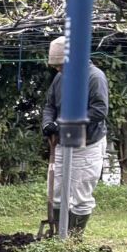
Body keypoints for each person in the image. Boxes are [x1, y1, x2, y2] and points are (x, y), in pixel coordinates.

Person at [39, 36, 109, 237]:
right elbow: (49, 105)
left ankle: (74, 238)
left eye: (61, 65)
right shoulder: (60, 77)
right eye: (55, 66)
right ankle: (58, 234)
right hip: (62, 142)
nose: (57, 70)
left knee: (80, 194)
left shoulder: (94, 77)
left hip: (87, 144)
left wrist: (62, 123)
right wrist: (47, 123)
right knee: (57, 190)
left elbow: (99, 111)